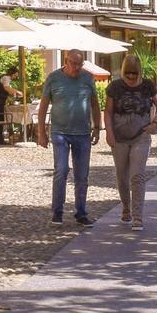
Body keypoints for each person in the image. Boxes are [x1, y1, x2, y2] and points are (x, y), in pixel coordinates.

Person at [36, 49, 100, 225]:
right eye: (73, 63)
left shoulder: (87, 78)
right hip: (60, 133)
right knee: (61, 170)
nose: (76, 67)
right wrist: (41, 132)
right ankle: (57, 211)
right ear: (66, 61)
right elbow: (43, 106)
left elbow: (95, 104)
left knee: (82, 175)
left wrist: (97, 127)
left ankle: (81, 213)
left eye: (80, 64)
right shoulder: (54, 78)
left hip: (83, 133)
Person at [105, 53, 157, 228]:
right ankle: (126, 207)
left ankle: (138, 216)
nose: (131, 77)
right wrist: (109, 133)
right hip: (119, 138)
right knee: (122, 176)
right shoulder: (115, 87)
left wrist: (155, 122)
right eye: (128, 73)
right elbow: (108, 112)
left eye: (134, 73)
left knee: (137, 175)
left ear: (139, 72)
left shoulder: (148, 86)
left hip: (141, 136)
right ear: (123, 72)